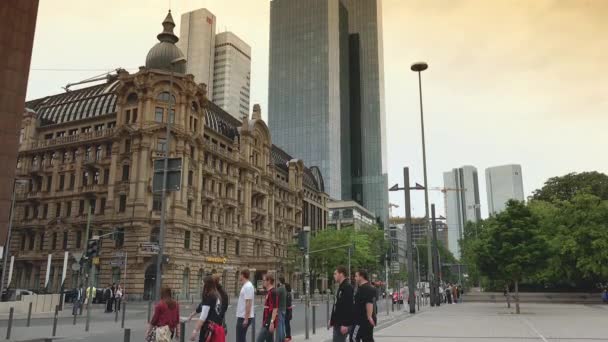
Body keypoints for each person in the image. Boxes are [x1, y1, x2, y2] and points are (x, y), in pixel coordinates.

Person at [190, 276, 225, 342]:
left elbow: (203, 317)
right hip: (216, 327)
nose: (201, 286)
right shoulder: (217, 295)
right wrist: (192, 314)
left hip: (208, 329)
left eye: (202, 284)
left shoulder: (209, 296)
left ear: (207, 285)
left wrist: (195, 331)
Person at [329, 265, 354, 342]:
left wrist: (345, 324)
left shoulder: (347, 287)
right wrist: (332, 320)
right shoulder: (341, 287)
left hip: (342, 323)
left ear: (341, 274)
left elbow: (348, 306)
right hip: (337, 322)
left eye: (335, 274)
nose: (334, 276)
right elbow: (337, 305)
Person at [350, 270, 376, 342]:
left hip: (362, 320)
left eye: (356, 276)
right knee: (367, 339)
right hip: (363, 319)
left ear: (361, 277)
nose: (354, 278)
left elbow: (369, 302)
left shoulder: (366, 288)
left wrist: (369, 317)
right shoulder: (363, 287)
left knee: (353, 338)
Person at [256, 273, 278, 342]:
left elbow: (275, 308)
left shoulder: (273, 292)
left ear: (268, 281)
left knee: (259, 340)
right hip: (266, 320)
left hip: (268, 321)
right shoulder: (268, 292)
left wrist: (272, 322)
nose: (263, 282)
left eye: (264, 280)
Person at [236, 269, 255, 342]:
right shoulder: (246, 285)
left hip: (244, 316)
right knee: (241, 338)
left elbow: (248, 302)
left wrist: (246, 318)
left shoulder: (248, 286)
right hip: (242, 316)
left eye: (240, 275)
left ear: (243, 275)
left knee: (240, 338)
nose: (239, 277)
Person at [276, 277, 287, 342]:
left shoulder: (280, 288)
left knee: (279, 325)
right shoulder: (284, 288)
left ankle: (280, 339)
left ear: (280, 281)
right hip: (284, 309)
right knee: (282, 324)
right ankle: (283, 338)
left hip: (280, 309)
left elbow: (275, 294)